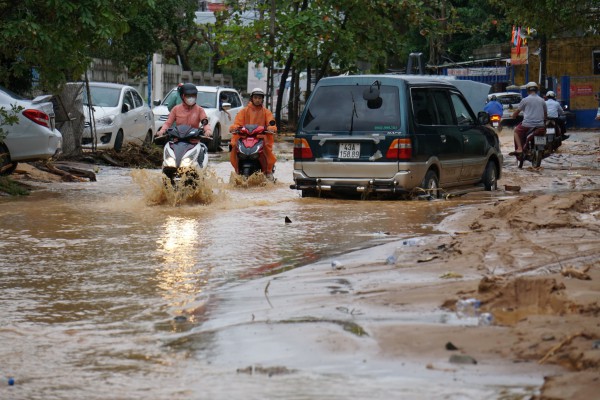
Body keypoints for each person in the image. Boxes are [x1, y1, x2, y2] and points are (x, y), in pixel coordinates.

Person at [229, 88, 277, 179]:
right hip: (244, 137)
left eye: (259, 98)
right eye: (255, 97)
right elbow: (237, 123)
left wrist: (271, 128)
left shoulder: (266, 112)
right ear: (252, 98)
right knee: (234, 146)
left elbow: (271, 122)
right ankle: (237, 169)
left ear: (262, 99)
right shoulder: (244, 111)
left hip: (261, 138)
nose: (257, 100)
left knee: (267, 150)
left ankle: (268, 171)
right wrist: (234, 127)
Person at [510, 81, 547, 155]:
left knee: (516, 131)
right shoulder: (542, 100)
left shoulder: (525, 100)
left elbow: (517, 112)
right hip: (540, 125)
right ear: (536, 90)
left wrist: (513, 116)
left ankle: (520, 148)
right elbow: (545, 114)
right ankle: (543, 148)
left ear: (528, 90)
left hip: (527, 125)